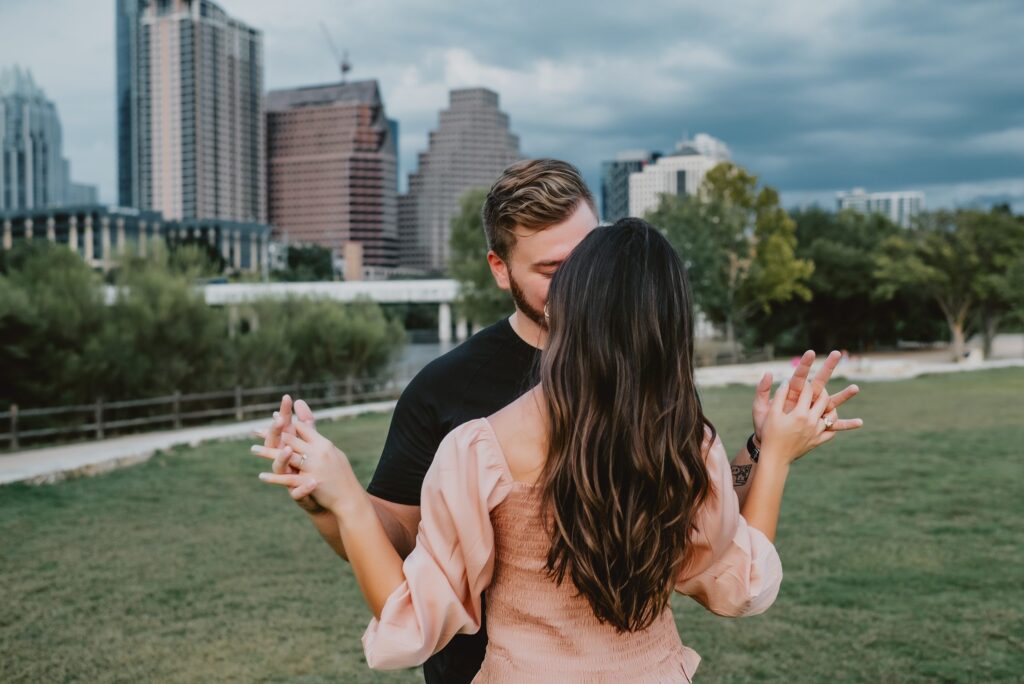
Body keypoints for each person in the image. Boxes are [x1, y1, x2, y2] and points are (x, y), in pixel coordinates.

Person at [251, 160, 861, 683]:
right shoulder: (668, 420)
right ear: (500, 267)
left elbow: (413, 619)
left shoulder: (487, 446)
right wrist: (338, 503)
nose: (572, 282)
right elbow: (736, 577)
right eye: (552, 268)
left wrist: (765, 448)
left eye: (585, 258)